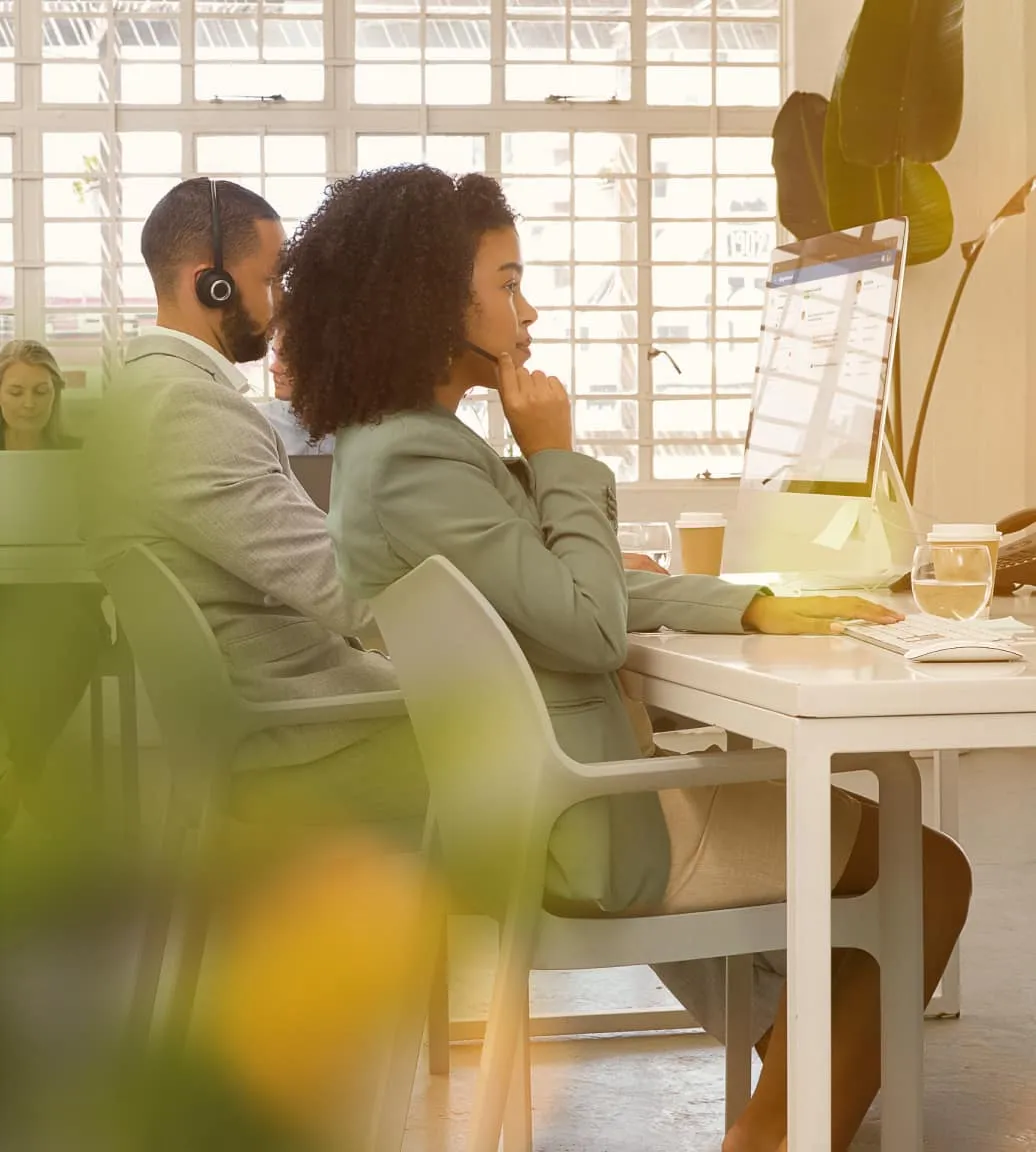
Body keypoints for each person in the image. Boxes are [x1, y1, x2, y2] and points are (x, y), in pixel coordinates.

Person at [276, 165, 973, 1152]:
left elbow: (565, 590)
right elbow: (592, 624)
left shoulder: (396, 451)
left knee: (812, 818)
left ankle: (791, 1066)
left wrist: (756, 607)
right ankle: (772, 1135)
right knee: (927, 865)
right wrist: (555, 451)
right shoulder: (423, 462)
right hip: (588, 826)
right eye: (506, 283)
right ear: (434, 301)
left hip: (530, 812)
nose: (528, 309)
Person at [82, 178, 425, 839]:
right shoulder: (184, 408)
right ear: (207, 283)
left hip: (283, 727)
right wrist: (519, 583)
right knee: (555, 723)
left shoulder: (151, 395)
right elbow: (353, 593)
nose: (279, 303)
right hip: (302, 742)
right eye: (269, 280)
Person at [0, 340, 108, 833]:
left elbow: (102, 534)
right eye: (16, 391)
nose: (28, 404)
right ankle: (30, 769)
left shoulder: (80, 457)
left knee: (66, 637)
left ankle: (20, 768)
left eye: (40, 392)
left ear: (55, 394)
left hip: (68, 600)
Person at [255, 333, 335, 456]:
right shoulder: (260, 423)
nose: (273, 368)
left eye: (285, 359)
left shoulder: (357, 429)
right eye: (275, 356)